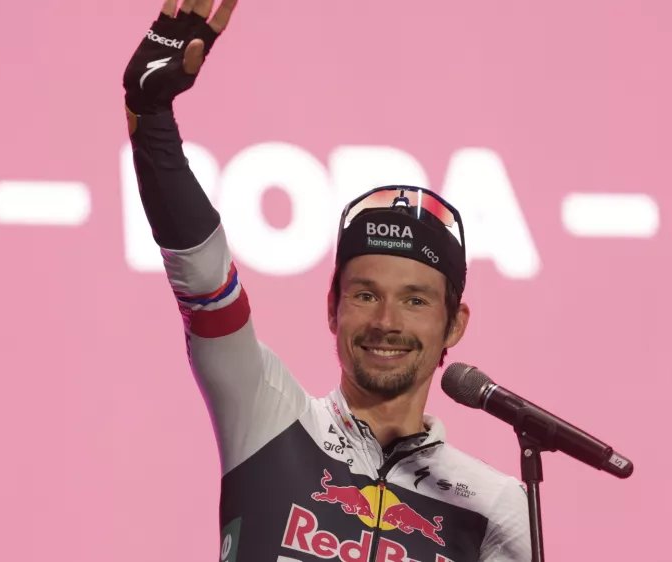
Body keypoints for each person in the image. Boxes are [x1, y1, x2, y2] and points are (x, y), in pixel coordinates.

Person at [121, 1, 531, 560]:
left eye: (415, 300)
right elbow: (203, 281)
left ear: (454, 324)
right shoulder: (267, 415)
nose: (386, 321)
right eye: (365, 294)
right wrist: (151, 117)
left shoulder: (496, 505)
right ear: (332, 307)